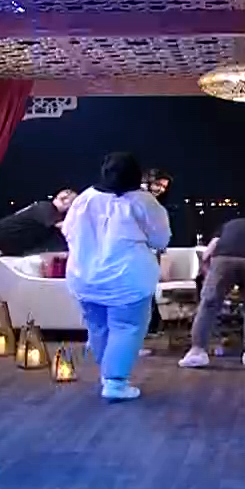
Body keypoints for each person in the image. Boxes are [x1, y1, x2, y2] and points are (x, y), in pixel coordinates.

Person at [61, 153, 171, 401]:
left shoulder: (84, 199)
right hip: (128, 279)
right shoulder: (144, 202)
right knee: (127, 328)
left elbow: (68, 232)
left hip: (85, 277)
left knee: (98, 328)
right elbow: (160, 239)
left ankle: (107, 375)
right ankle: (115, 382)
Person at [0, 190, 77, 332]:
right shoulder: (46, 208)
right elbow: (63, 228)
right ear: (64, 200)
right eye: (73, 204)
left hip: (4, 245)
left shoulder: (45, 210)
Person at [179, 218, 245, 369]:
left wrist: (209, 274)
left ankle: (197, 352)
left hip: (223, 260)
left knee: (208, 305)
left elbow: (207, 254)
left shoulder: (230, 225)